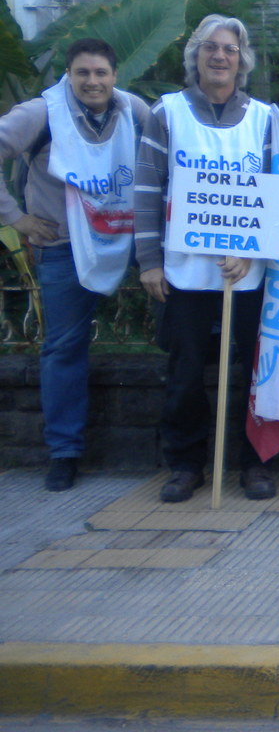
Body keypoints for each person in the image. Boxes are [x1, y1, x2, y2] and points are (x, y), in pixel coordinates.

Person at [135, 14, 278, 503]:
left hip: (245, 273)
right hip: (183, 272)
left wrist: (252, 249)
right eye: (210, 47)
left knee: (254, 372)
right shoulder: (167, 113)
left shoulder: (264, 118)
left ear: (243, 61)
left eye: (230, 49)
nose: (220, 56)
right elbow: (147, 188)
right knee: (186, 372)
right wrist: (149, 260)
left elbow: (276, 193)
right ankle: (185, 464)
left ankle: (255, 464)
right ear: (195, 54)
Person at [0, 38, 150, 491]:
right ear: (69, 75)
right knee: (64, 348)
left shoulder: (135, 111)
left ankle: (185, 453)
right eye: (83, 73)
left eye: (101, 73)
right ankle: (64, 451)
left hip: (131, 239)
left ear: (115, 75)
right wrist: (15, 217)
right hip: (63, 245)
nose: (92, 81)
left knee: (179, 331)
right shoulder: (39, 115)